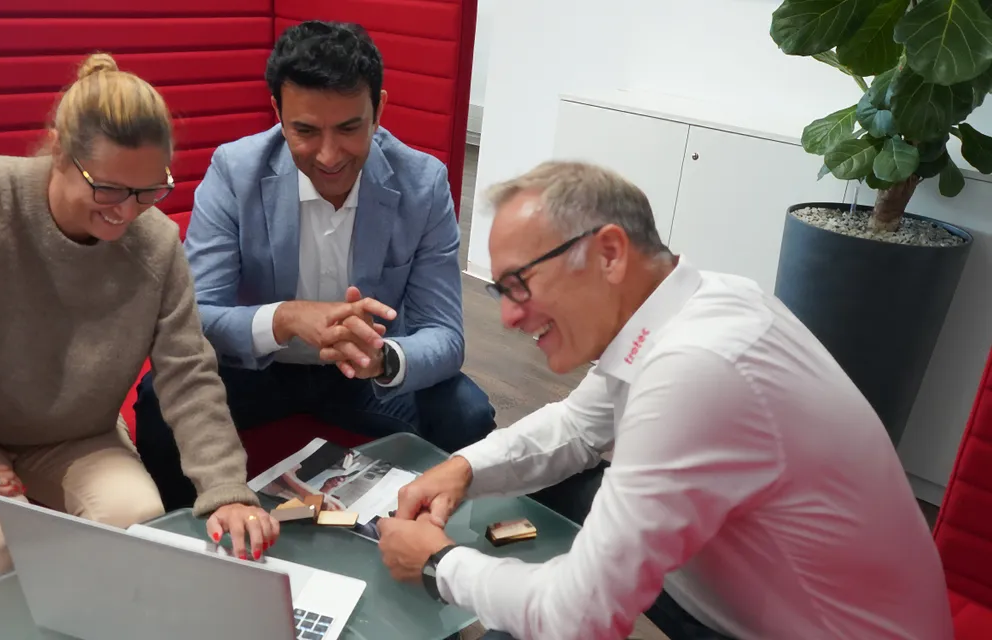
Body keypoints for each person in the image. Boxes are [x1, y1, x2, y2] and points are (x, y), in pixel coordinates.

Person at [375, 161, 953, 639]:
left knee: (536, 610)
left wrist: (438, 563)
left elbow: (578, 620)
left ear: (608, 254)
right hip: (780, 600)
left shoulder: (697, 370)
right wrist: (462, 468)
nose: (505, 315)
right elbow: (580, 428)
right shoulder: (700, 300)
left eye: (518, 285)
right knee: (568, 492)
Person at [0, 53, 278, 587]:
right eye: (108, 188)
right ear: (61, 153)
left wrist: (226, 489)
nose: (126, 212)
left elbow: (189, 374)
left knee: (137, 518)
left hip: (77, 435)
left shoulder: (156, 242)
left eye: (148, 190)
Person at [134, 20, 497, 509]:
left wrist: (384, 358)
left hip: (366, 375)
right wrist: (283, 318)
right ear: (277, 115)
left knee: (468, 414)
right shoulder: (235, 171)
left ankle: (435, 550)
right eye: (305, 130)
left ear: (379, 109)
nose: (329, 155)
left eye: (350, 128)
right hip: (258, 369)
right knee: (161, 402)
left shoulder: (422, 183)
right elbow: (197, 314)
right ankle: (187, 544)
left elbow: (445, 336)